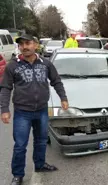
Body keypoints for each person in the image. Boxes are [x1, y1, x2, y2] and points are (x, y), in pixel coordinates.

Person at [0, 34, 68, 185]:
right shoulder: (13, 65)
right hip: (22, 113)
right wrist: (4, 109)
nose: (24, 47)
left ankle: (40, 164)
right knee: (20, 145)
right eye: (21, 44)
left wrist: (63, 98)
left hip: (42, 110)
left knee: (41, 141)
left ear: (35, 45)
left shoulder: (45, 63)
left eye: (28, 43)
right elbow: (5, 88)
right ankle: (17, 175)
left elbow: (56, 81)